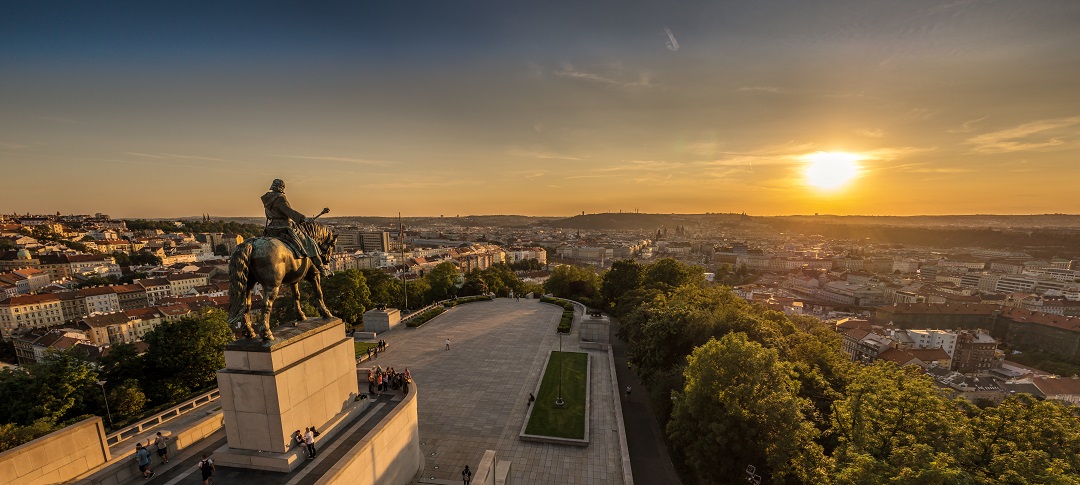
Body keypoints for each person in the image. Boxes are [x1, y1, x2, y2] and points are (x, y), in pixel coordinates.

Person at [261, 179, 329, 276]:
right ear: (282, 187)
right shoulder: (280, 198)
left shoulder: (267, 198)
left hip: (271, 228)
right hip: (284, 227)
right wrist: (304, 219)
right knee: (310, 243)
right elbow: (289, 212)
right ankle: (322, 269)